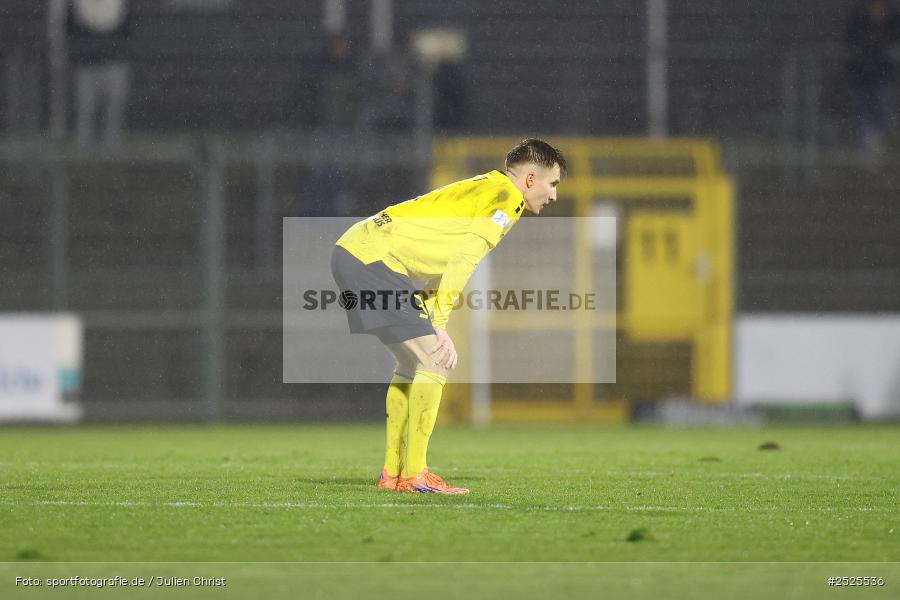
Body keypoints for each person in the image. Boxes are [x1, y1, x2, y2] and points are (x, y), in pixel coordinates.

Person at [330, 139, 566, 494]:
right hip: (373, 260)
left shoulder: (488, 186)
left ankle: (393, 474)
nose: (554, 195)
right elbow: (464, 258)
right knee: (435, 360)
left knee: (411, 364)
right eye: (553, 184)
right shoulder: (507, 198)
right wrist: (439, 324)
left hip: (355, 251)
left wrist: (429, 311)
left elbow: (444, 253)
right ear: (531, 179)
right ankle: (415, 475)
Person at [67, 0, 132, 147]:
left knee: (114, 106)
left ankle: (111, 142)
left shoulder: (120, 5)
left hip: (114, 62)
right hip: (86, 64)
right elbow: (71, 31)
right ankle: (84, 144)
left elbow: (127, 30)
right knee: (85, 106)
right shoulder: (77, 6)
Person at [845, 0, 900, 158]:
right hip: (862, 74)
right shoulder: (858, 18)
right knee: (866, 110)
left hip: (883, 74)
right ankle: (871, 145)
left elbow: (893, 41)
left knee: (884, 108)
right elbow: (852, 41)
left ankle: (884, 142)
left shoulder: (893, 18)